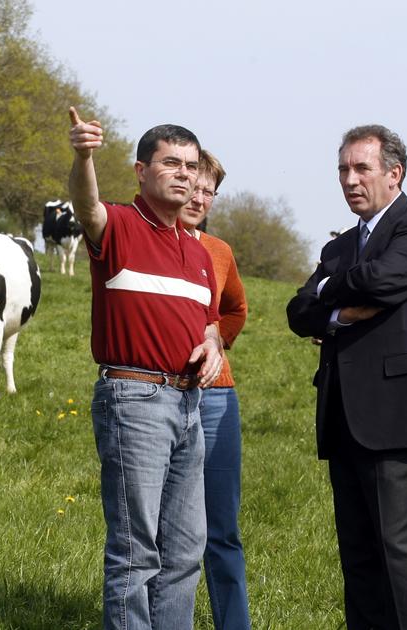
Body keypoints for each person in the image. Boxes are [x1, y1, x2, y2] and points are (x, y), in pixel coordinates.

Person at [285, 125, 407, 629]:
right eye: (343, 169)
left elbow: (382, 279)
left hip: (399, 417)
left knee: (400, 556)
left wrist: (329, 289)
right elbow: (298, 313)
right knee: (357, 558)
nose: (350, 179)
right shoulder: (339, 246)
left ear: (393, 174)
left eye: (362, 168)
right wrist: (335, 315)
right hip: (342, 417)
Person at [68, 106, 224, 630]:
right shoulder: (118, 225)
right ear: (140, 171)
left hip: (189, 404)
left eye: (191, 165)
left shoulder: (199, 253)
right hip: (134, 401)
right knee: (137, 552)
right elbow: (84, 205)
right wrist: (83, 156)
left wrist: (213, 344)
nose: (185, 173)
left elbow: (208, 325)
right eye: (171, 162)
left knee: (184, 552)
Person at [177, 150, 250, 629]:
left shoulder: (220, 251)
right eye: (195, 187)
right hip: (161, 393)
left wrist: (215, 340)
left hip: (217, 396)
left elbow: (237, 308)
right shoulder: (148, 241)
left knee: (221, 530)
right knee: (172, 531)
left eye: (209, 191)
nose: (200, 198)